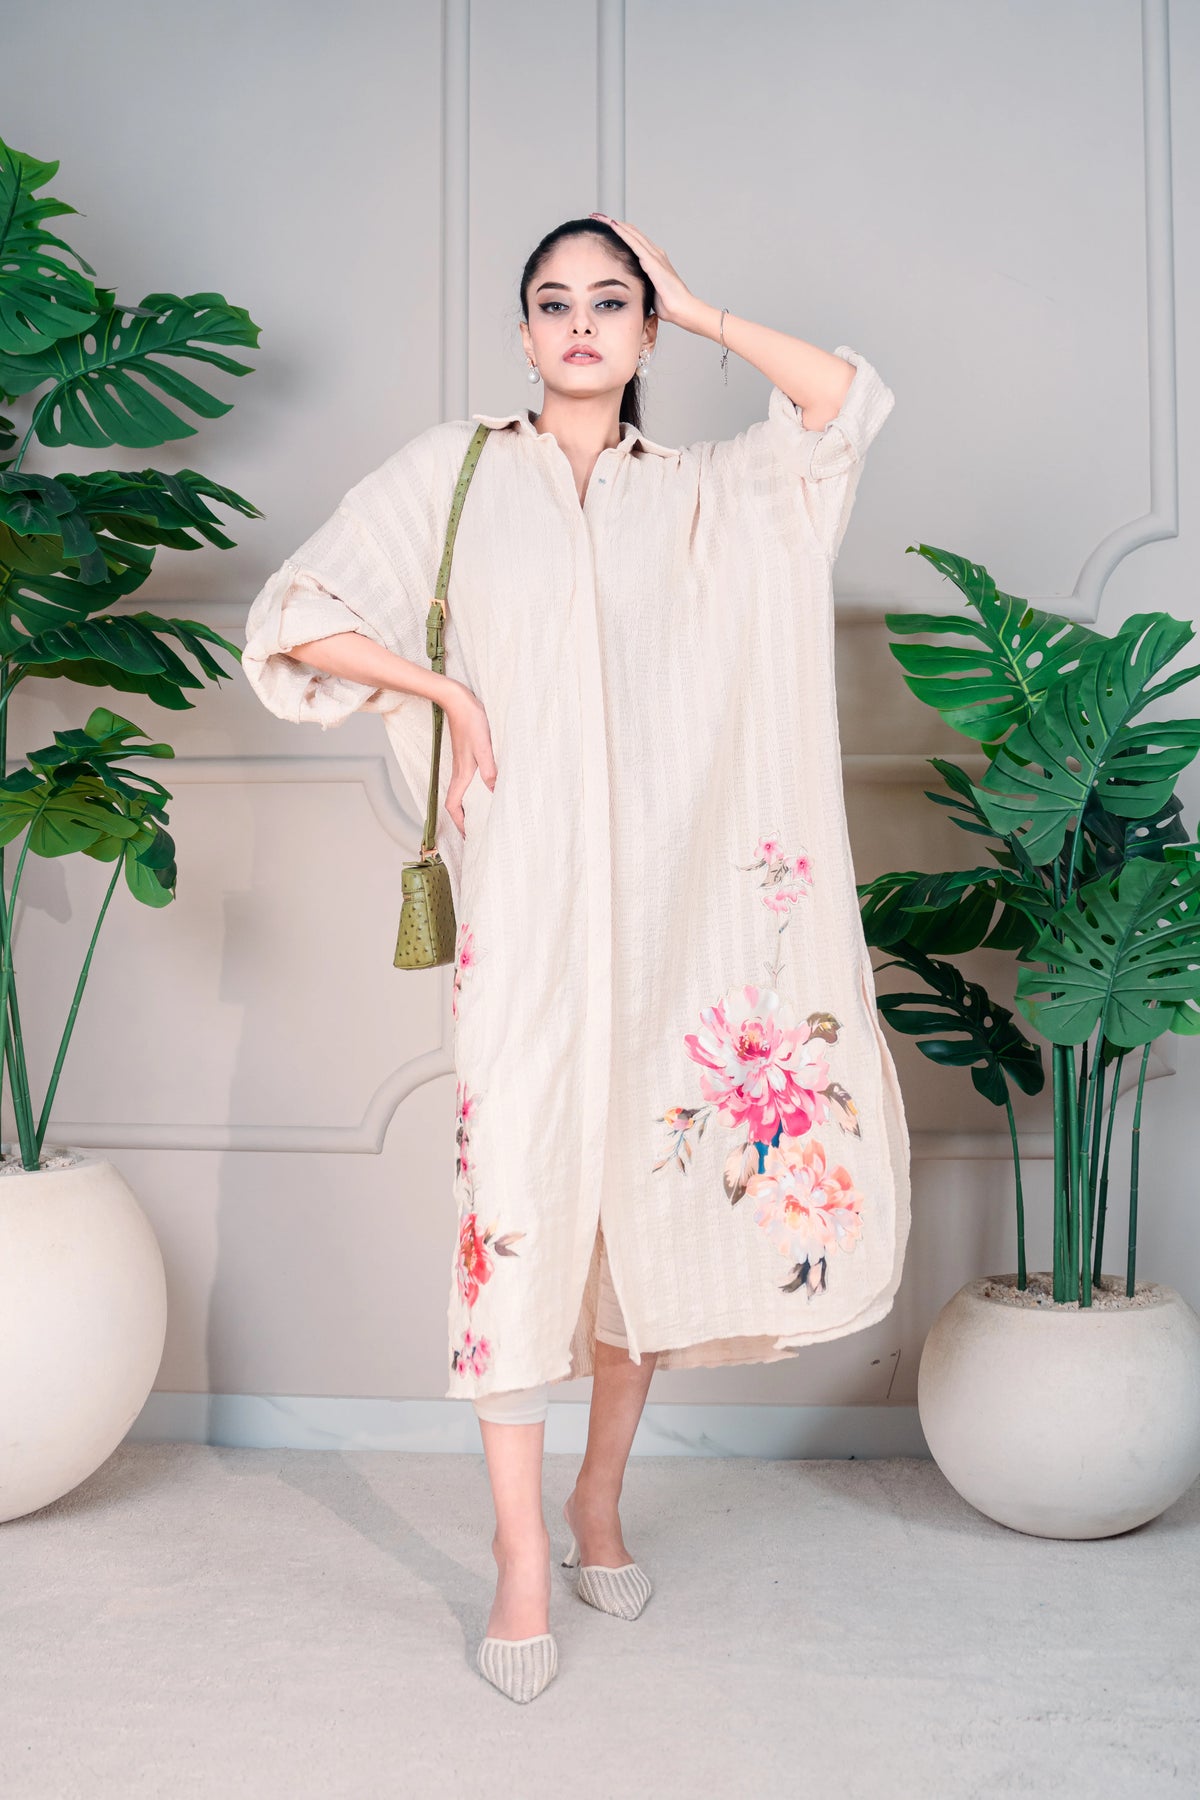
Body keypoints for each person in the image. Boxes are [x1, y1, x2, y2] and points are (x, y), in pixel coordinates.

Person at [242, 214, 910, 1704]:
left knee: (640, 1221)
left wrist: (704, 303)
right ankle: (518, 1557)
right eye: (557, 302)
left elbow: (844, 405)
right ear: (524, 331)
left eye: (615, 302)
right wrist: (446, 696)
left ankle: (599, 1500)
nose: (585, 323)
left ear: (646, 331)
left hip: (679, 924)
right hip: (528, 917)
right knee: (520, 1211)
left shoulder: (708, 492)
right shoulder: (457, 472)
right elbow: (295, 616)